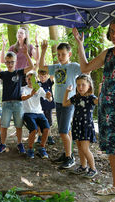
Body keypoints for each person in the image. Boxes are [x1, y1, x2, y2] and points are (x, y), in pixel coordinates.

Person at [73, 17, 115, 202]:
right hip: (106, 110)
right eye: (112, 31)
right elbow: (85, 68)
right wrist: (80, 44)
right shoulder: (107, 54)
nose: (114, 35)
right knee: (113, 150)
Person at [40, 41, 82, 169]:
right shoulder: (56, 67)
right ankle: (67, 154)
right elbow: (41, 67)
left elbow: (86, 68)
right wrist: (43, 50)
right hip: (58, 102)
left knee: (63, 131)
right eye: (58, 54)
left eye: (63, 54)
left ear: (69, 54)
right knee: (66, 130)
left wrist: (80, 44)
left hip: (69, 102)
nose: (60, 57)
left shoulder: (73, 66)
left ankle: (70, 158)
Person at [0, 46, 33, 154]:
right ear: (5, 62)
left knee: (19, 125)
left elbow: (31, 66)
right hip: (6, 104)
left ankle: (19, 144)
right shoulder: (3, 74)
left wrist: (26, 54)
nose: (10, 64)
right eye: (7, 62)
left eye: (12, 62)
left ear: (16, 61)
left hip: (18, 103)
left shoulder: (19, 72)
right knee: (4, 125)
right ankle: (3, 144)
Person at [63, 74, 98, 178]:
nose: (80, 87)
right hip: (77, 125)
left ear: (89, 86)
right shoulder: (76, 97)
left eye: (83, 84)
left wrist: (101, 91)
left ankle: (93, 169)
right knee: (79, 147)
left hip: (86, 126)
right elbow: (65, 103)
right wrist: (67, 92)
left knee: (85, 148)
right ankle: (83, 166)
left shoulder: (91, 98)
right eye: (78, 85)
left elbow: (99, 102)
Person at [21, 71, 52, 159]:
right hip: (28, 113)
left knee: (46, 128)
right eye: (29, 79)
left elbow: (49, 99)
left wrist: (49, 96)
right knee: (34, 130)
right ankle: (30, 149)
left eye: (33, 79)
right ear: (26, 79)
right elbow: (22, 98)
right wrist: (31, 94)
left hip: (39, 113)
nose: (31, 81)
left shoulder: (39, 89)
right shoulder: (24, 89)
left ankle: (42, 148)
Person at [37, 69, 55, 145]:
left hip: (48, 106)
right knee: (39, 121)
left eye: (44, 76)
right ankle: (40, 136)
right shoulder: (37, 84)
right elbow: (31, 76)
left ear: (47, 76)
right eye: (41, 76)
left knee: (48, 122)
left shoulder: (49, 82)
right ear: (38, 76)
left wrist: (45, 67)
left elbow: (52, 72)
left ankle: (49, 136)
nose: (43, 78)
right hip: (39, 107)